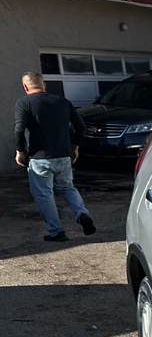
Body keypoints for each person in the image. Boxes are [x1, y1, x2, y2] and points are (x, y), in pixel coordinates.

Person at [13, 72, 96, 243]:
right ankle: (82, 214)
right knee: (67, 188)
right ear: (44, 85)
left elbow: (19, 129)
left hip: (39, 158)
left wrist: (20, 151)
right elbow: (80, 127)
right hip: (63, 155)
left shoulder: (24, 102)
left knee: (44, 195)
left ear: (25, 86)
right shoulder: (63, 102)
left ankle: (56, 232)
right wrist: (75, 147)